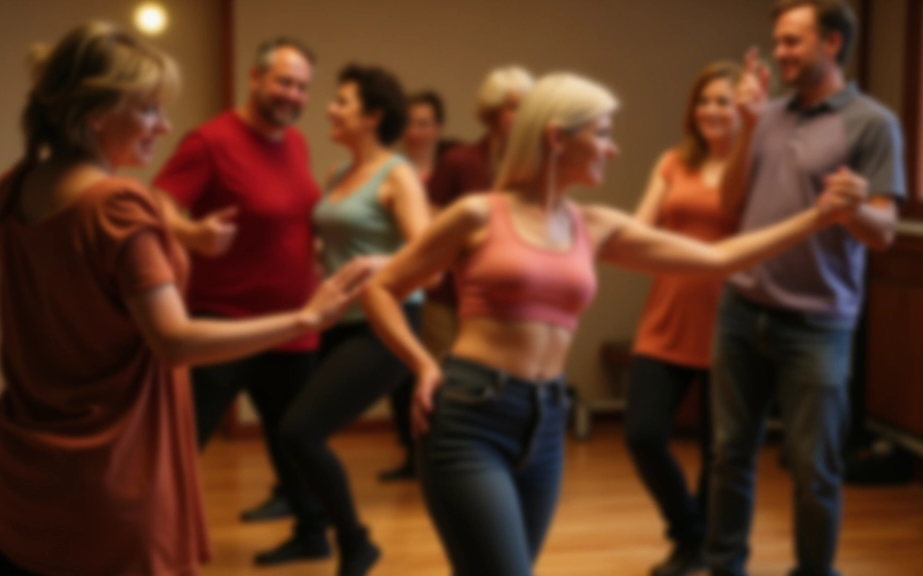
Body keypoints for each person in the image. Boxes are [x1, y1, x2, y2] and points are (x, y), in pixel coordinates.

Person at [361, 72, 867, 576]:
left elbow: (718, 258)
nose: (613, 149)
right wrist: (422, 363)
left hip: (547, 418)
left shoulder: (595, 226)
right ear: (557, 137)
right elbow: (382, 289)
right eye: (601, 133)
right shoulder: (477, 215)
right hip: (470, 417)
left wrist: (816, 219)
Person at [0, 22, 371, 576]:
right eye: (147, 110)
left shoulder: (12, 187)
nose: (163, 125)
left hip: (29, 478)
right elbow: (174, 341)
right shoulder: (118, 204)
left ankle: (320, 529)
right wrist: (306, 317)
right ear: (97, 111)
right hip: (111, 476)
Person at [706, 1, 903, 575]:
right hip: (741, 310)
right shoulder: (764, 116)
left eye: (793, 41)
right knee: (728, 455)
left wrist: (853, 208)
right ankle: (724, 566)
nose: (780, 53)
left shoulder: (872, 123)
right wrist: (746, 126)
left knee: (814, 467)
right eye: (778, 41)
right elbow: (728, 202)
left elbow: (885, 231)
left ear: (833, 43)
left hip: (818, 323)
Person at [152, 36, 327, 534]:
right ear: (255, 79)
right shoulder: (208, 141)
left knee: (295, 439)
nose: (293, 94)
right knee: (184, 441)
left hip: (292, 324)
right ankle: (154, 540)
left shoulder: (296, 142)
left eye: (302, 87)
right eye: (284, 82)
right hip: (221, 321)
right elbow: (158, 204)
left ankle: (312, 536)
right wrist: (192, 235)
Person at [273, 64, 431, 576]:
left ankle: (356, 543)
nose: (329, 108)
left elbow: (427, 254)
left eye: (342, 101)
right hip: (340, 323)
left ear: (373, 116)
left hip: (387, 323)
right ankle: (339, 538)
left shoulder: (398, 174)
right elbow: (332, 244)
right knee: (293, 431)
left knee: (299, 431)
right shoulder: (338, 174)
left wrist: (374, 265)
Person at [625, 61, 742, 576]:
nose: (712, 110)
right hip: (668, 313)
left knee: (719, 450)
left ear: (747, 110)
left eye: (724, 101)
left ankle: (707, 546)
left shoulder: (756, 167)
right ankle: (688, 531)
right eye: (704, 100)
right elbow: (637, 229)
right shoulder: (673, 162)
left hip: (732, 318)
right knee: (643, 434)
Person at [420, 66, 534, 363]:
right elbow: (428, 226)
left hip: (506, 299)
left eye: (529, 108)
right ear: (493, 112)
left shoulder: (534, 171)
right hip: (448, 298)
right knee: (447, 382)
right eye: (515, 107)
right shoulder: (459, 161)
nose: (524, 116)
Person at [380, 89, 459, 482]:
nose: (416, 131)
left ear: (438, 128)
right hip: (410, 286)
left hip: (450, 285)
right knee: (409, 372)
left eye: (425, 123)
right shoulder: (393, 171)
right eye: (410, 122)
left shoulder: (451, 171)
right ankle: (414, 454)